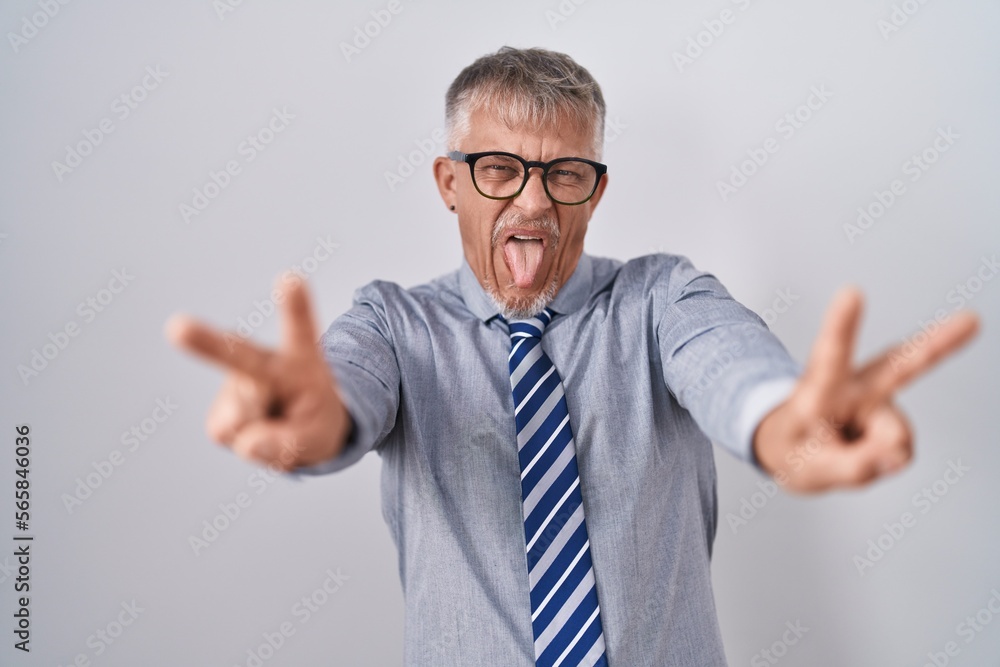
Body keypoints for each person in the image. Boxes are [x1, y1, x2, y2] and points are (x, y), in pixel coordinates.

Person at [166, 47, 979, 666]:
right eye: (499, 170)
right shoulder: (395, 323)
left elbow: (737, 373)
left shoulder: (662, 299)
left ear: (595, 189)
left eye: (564, 174)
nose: (532, 201)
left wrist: (790, 429)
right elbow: (344, 394)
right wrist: (313, 425)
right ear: (450, 182)